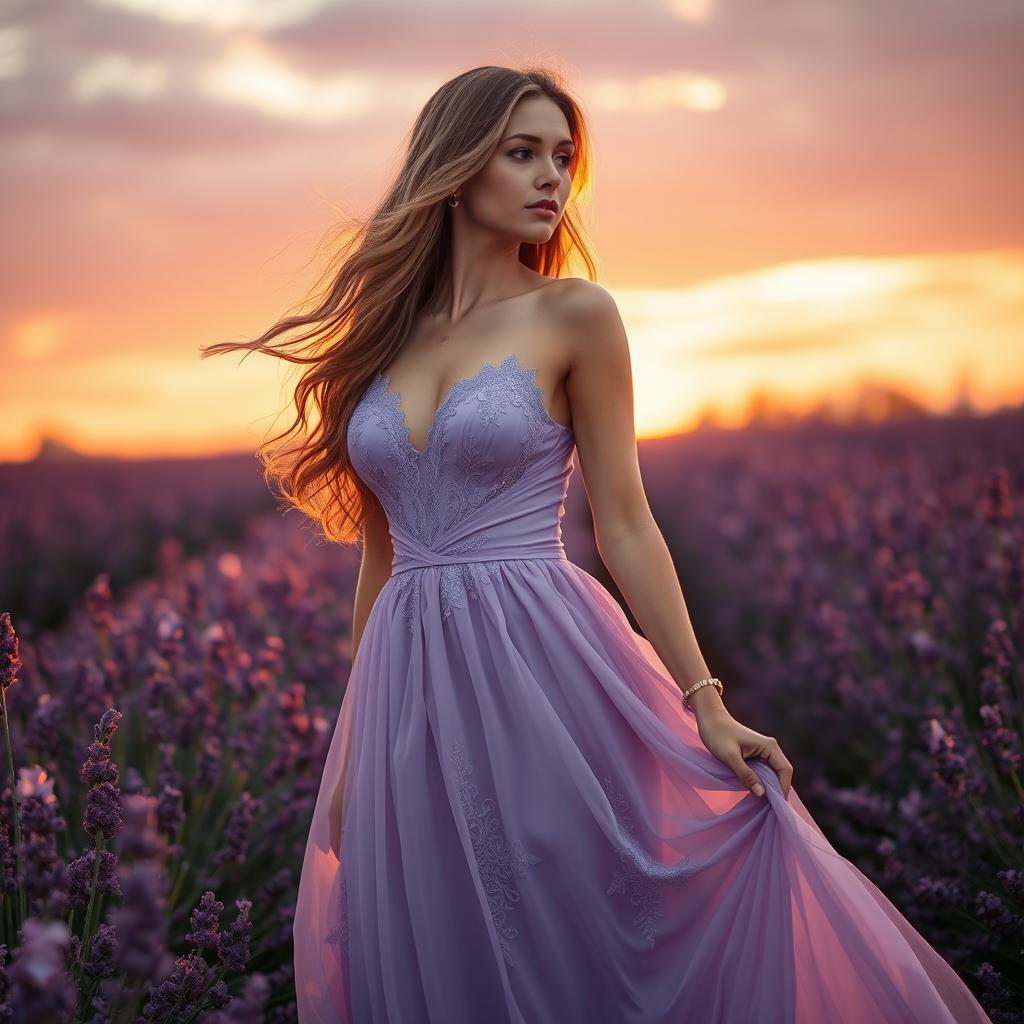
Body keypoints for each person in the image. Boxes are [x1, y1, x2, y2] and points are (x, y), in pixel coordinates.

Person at [203, 64, 992, 1024]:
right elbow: (381, 558)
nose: (552, 179)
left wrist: (706, 703)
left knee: (576, 912)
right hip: (409, 675)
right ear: (455, 168)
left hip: (544, 660)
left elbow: (625, 521)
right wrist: (358, 740)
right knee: (445, 929)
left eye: (564, 159)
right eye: (523, 152)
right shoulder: (377, 342)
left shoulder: (574, 313)